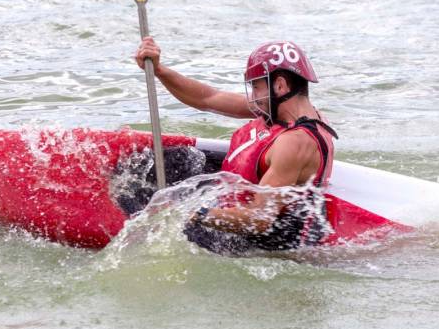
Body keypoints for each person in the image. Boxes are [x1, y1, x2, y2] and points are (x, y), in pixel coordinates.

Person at [135, 37, 338, 254]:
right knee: (151, 162)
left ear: (279, 85)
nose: (252, 96)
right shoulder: (280, 109)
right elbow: (209, 99)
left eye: (256, 86)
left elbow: (259, 219)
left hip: (258, 244)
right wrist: (159, 70)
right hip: (236, 198)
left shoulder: (296, 142)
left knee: (142, 190)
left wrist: (192, 212)